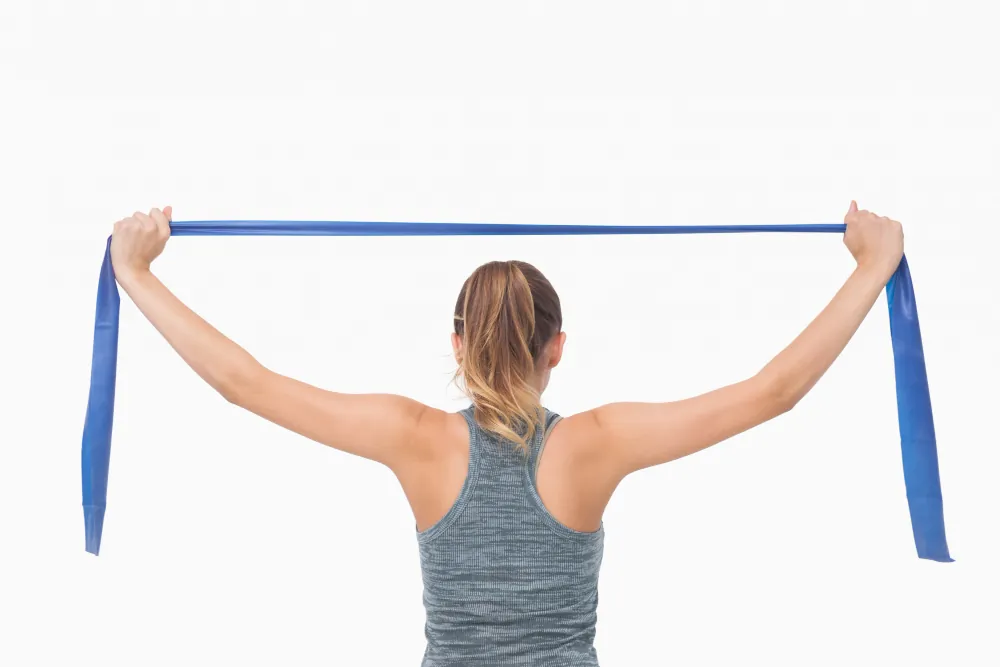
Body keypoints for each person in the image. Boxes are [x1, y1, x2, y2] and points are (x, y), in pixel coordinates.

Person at [109, 201, 903, 667]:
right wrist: (869, 266)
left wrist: (137, 272)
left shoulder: (409, 435)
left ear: (456, 343)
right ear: (558, 345)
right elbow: (773, 392)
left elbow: (244, 383)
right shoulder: (599, 442)